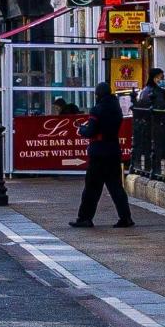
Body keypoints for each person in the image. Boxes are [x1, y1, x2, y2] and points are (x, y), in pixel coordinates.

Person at [71, 80, 135, 229]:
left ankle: (85, 218)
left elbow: (92, 130)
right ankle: (126, 217)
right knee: (116, 187)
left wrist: (82, 130)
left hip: (99, 152)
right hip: (113, 150)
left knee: (92, 187)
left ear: (98, 95)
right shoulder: (116, 108)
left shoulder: (97, 110)